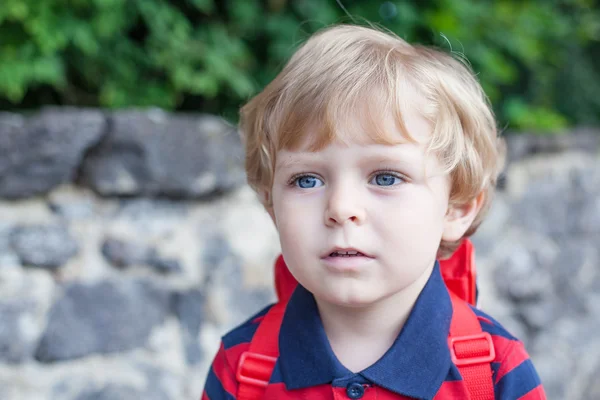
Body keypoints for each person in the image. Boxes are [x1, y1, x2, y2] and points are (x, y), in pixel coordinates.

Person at [201, 24, 546, 399]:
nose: (341, 208)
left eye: (385, 177)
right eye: (306, 180)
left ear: (456, 208)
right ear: (271, 207)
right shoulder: (241, 366)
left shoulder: (495, 372)